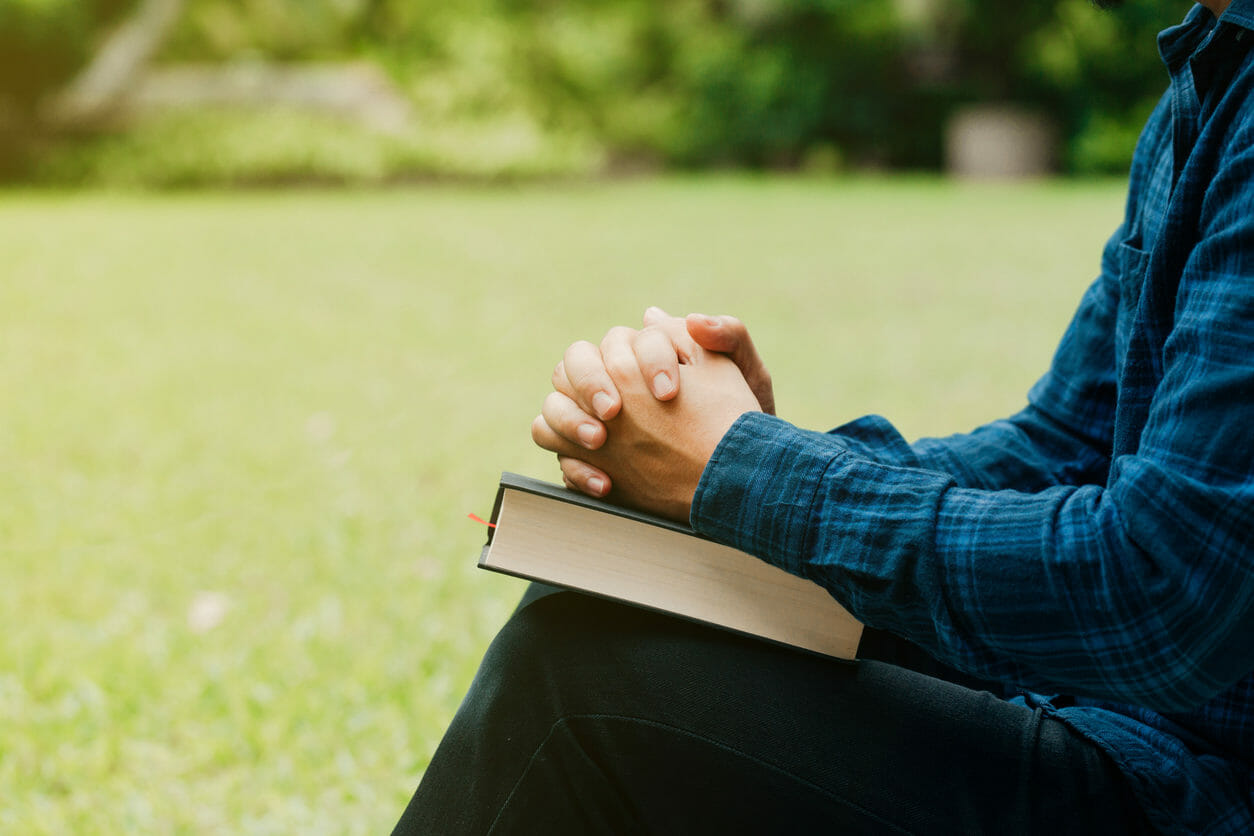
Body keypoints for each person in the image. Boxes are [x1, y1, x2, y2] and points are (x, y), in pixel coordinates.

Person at [392, 0, 1254, 831]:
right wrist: (741, 461)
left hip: (1192, 785)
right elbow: (1065, 443)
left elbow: (1159, 588)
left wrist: (745, 470)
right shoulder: (1211, 76)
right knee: (625, 603)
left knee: (578, 688)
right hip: (1129, 722)